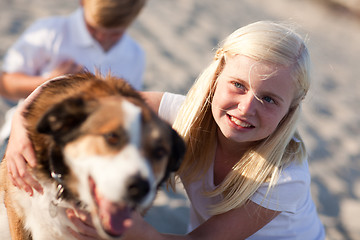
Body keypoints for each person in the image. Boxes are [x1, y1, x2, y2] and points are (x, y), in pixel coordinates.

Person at [5, 21, 325, 239]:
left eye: (269, 99)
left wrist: (140, 232)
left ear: (291, 109)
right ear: (216, 77)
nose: (245, 108)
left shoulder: (285, 177)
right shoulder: (183, 113)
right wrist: (22, 120)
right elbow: (87, 92)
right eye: (238, 85)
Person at [0, 0, 147, 159]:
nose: (102, 37)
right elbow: (5, 84)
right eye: (93, 28)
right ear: (82, 2)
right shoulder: (51, 32)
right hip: (29, 135)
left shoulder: (135, 55)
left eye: (115, 33)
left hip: (89, 151)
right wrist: (48, 81)